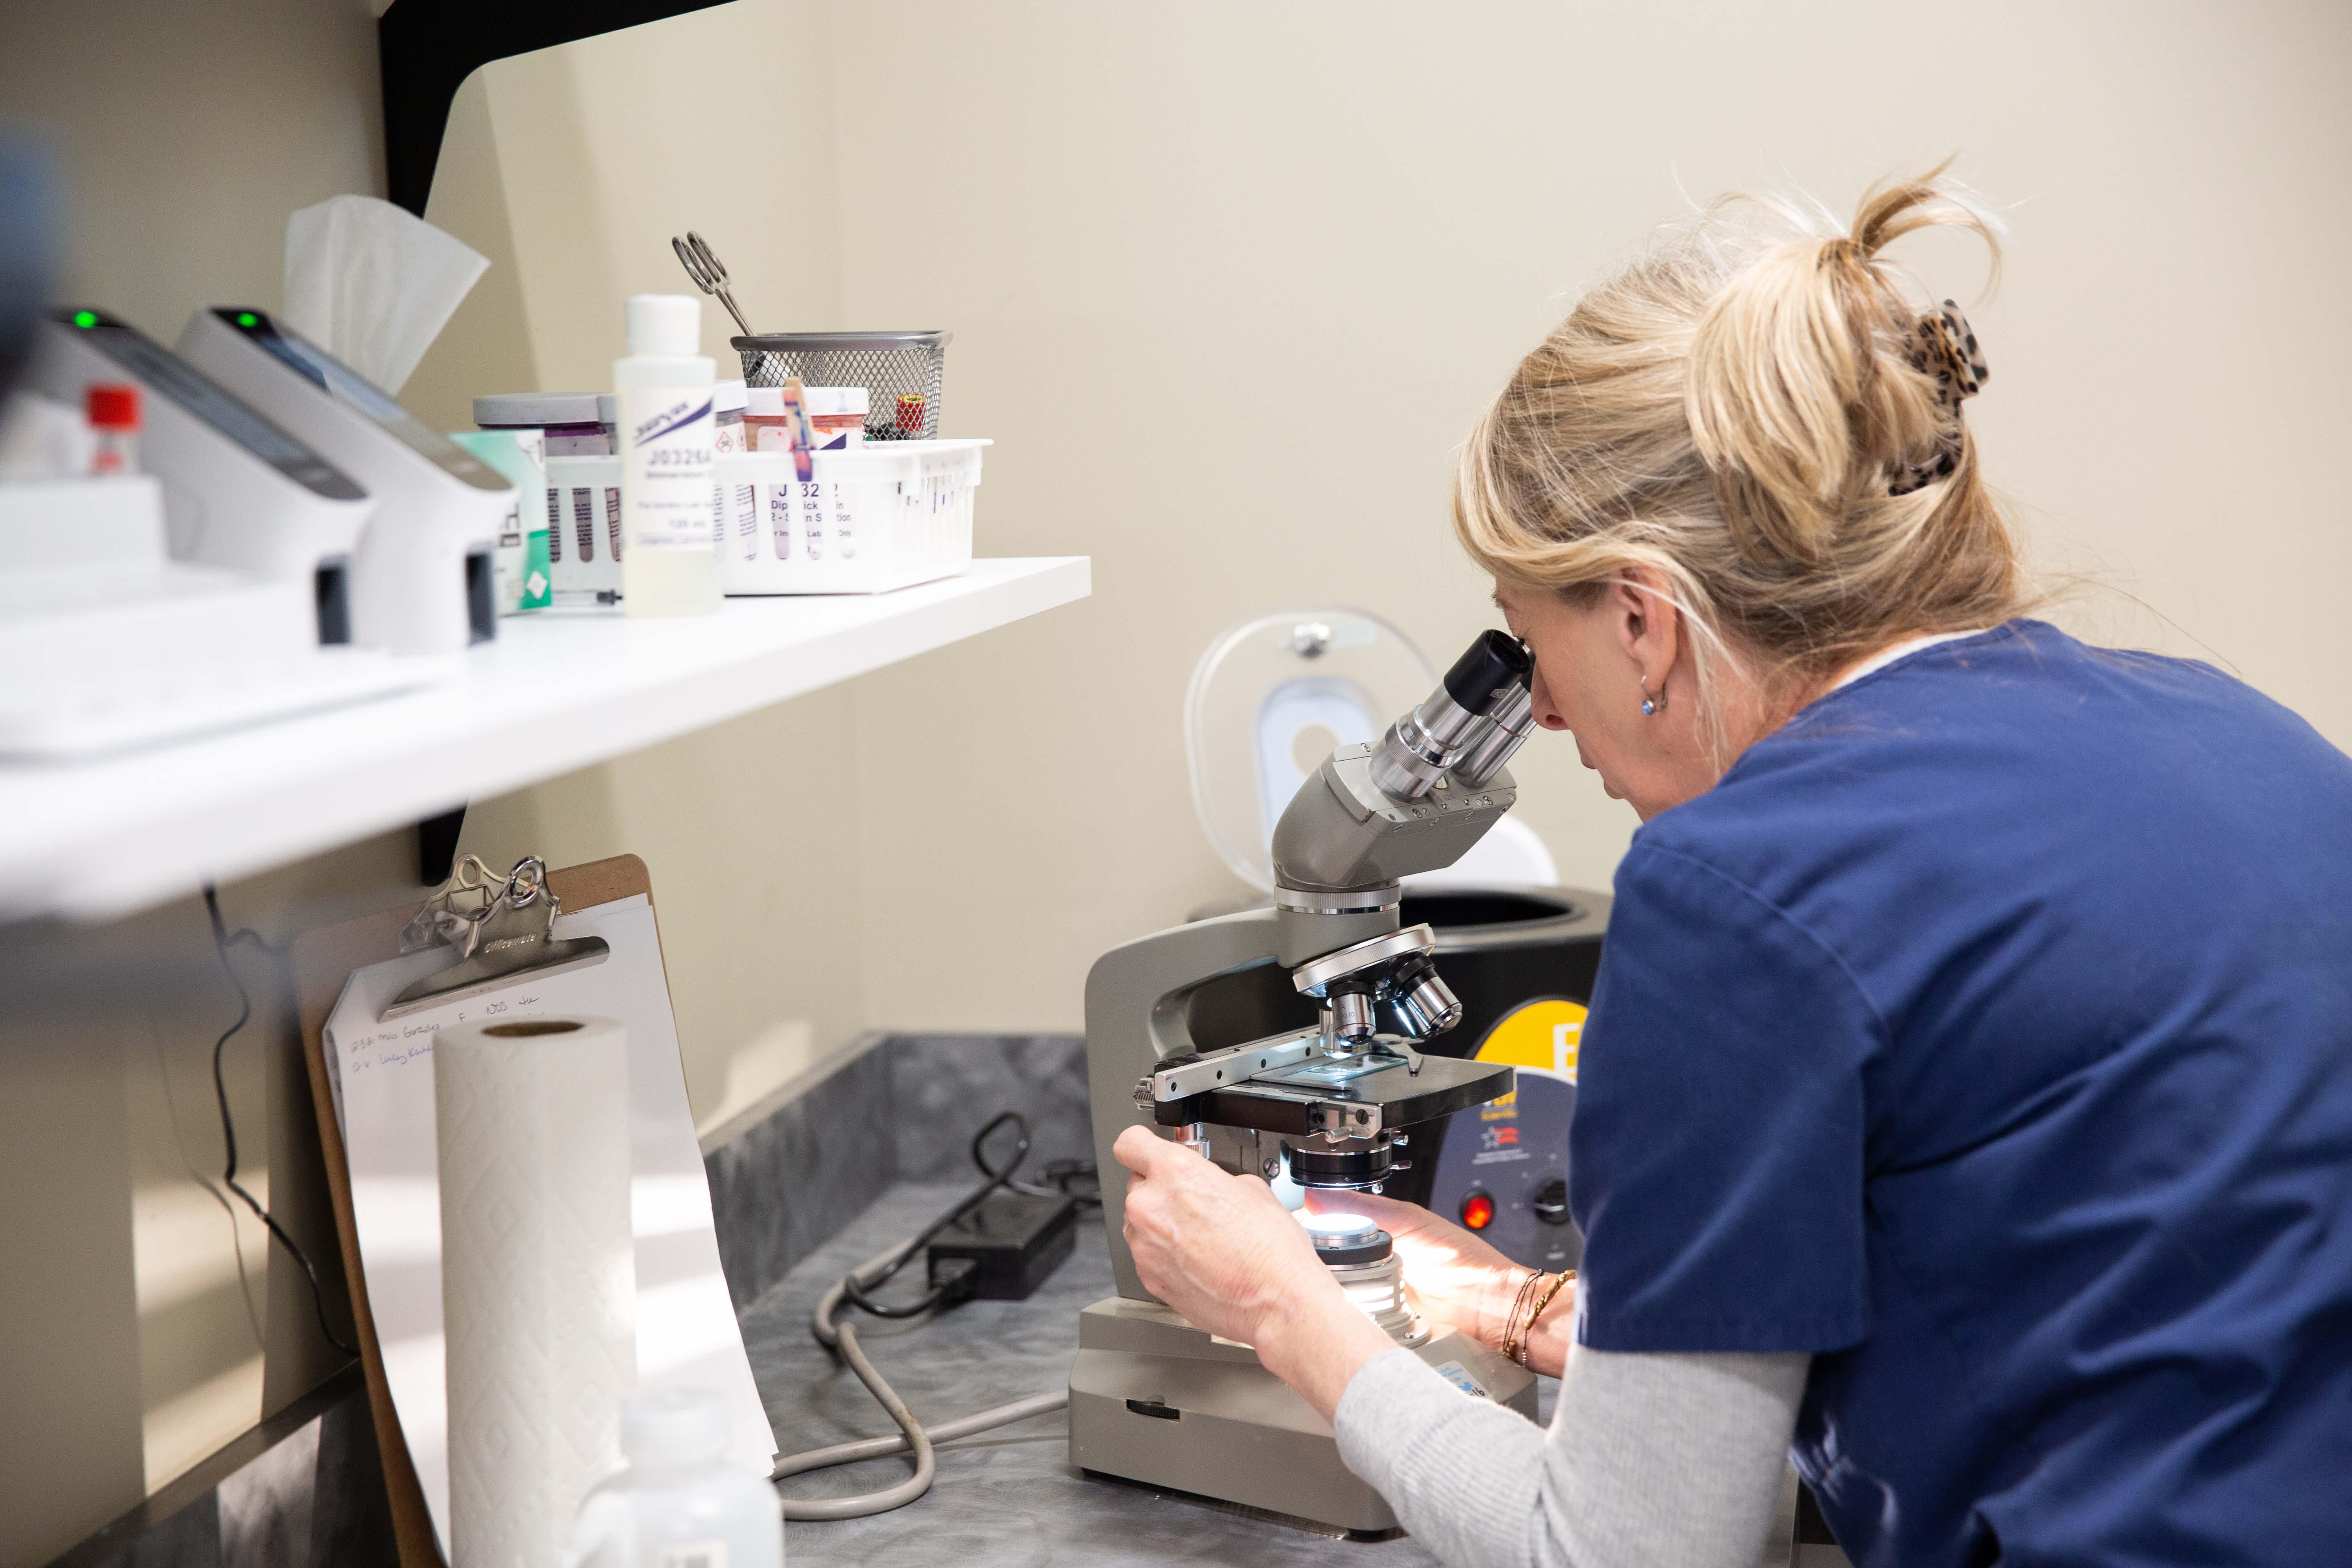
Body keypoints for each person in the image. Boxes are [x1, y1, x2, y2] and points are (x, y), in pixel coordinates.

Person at [1112, 168, 2352, 1568]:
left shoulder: (1739, 892)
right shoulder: (2255, 741)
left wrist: (1292, 1311)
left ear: (1644, 621)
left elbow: (1624, 1555)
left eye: (1535, 644)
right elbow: (2076, 1293)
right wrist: (1530, 1314)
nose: (1554, 716)